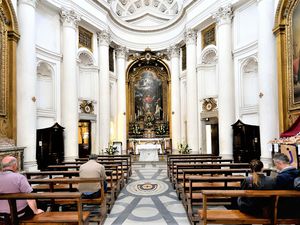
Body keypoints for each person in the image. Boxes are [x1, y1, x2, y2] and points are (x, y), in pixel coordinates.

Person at [273, 153, 300, 218]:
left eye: (275, 164)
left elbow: (276, 193)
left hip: (286, 210)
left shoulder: (281, 177)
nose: (275, 166)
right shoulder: (298, 172)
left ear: (279, 163)